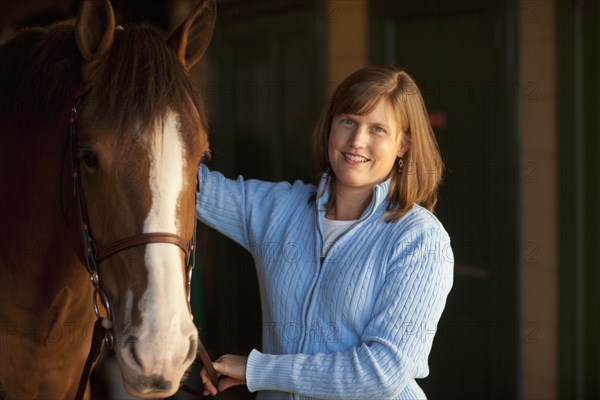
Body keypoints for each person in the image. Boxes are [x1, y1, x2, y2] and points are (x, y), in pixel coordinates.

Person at [197, 65, 454, 399]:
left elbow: (383, 371)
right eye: (348, 121)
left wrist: (257, 371)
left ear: (403, 144)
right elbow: (186, 185)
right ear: (330, 125)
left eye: (377, 129)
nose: (357, 141)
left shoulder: (419, 239)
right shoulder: (278, 211)